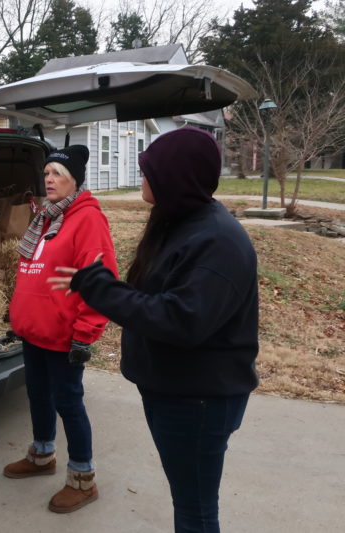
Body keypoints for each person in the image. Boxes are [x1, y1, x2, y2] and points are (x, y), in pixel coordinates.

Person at [48, 127, 259, 532]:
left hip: (198, 401)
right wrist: (99, 285)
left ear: (175, 176)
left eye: (148, 170)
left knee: (195, 509)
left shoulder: (218, 242)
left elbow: (179, 320)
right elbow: (157, 297)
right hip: (176, 392)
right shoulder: (181, 223)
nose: (142, 177)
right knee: (190, 499)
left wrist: (100, 288)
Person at [4, 145, 118, 514]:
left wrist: (85, 333)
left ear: (74, 181)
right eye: (47, 173)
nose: (49, 179)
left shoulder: (86, 219)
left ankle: (83, 479)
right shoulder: (46, 218)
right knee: (38, 395)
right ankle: (41, 455)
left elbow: (101, 279)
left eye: (57, 174)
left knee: (68, 402)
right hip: (35, 329)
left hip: (64, 333)